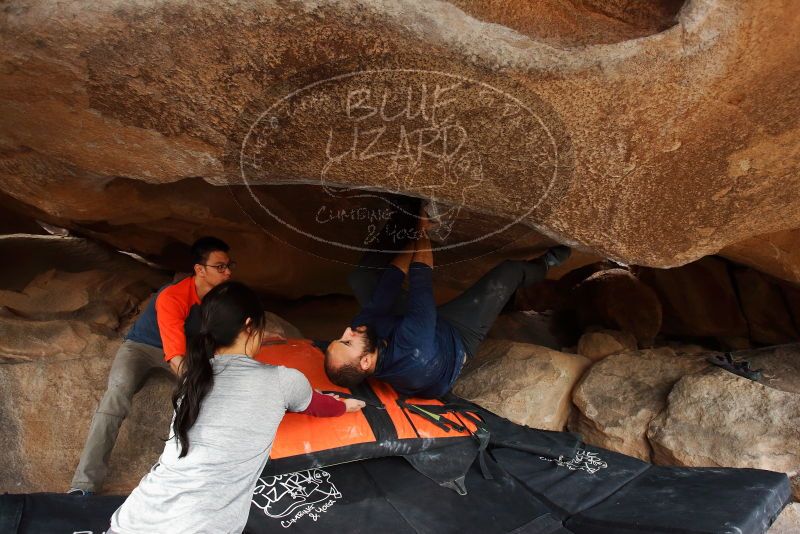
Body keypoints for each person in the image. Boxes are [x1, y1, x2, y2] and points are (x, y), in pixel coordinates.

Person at [107, 281, 363, 534]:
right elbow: (319, 405)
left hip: (133, 518)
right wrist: (345, 406)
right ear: (250, 326)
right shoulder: (283, 380)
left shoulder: (194, 379)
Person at [324, 201, 571, 398]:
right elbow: (421, 274)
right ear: (366, 362)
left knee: (363, 278)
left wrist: (413, 231)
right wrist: (423, 231)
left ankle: (404, 213)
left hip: (414, 328)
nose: (347, 331)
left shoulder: (365, 334)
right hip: (456, 337)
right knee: (507, 273)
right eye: (347, 342)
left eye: (340, 337)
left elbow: (390, 283)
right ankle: (545, 264)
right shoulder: (413, 348)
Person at [69, 236, 235, 495]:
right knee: (116, 398)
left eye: (229, 265)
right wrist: (192, 382)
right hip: (141, 348)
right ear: (200, 269)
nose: (228, 272)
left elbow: (224, 335)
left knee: (209, 398)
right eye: (220, 266)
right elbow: (175, 355)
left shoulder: (221, 298)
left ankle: (198, 479)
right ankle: (83, 484)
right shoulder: (173, 295)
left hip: (186, 351)